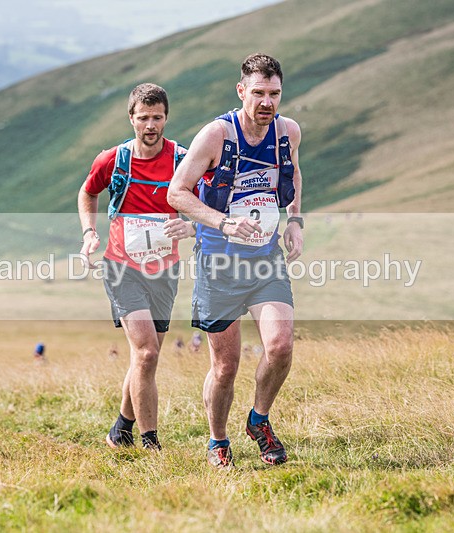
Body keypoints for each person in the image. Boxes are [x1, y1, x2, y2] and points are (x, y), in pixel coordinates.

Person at [168, 54, 304, 468]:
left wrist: (295, 221)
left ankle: (259, 421)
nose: (267, 102)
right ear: (241, 91)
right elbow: (177, 192)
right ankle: (217, 439)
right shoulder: (216, 135)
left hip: (265, 259)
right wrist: (223, 222)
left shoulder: (287, 132)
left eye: (274, 94)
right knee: (225, 367)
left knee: (280, 346)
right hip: (219, 262)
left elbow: (294, 173)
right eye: (258, 93)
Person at [77, 83, 194, 451]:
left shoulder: (183, 160)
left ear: (166, 117)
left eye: (157, 117)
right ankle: (151, 443)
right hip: (121, 267)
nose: (150, 125)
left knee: (146, 358)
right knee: (146, 353)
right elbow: (87, 192)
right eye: (143, 118)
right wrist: (89, 233)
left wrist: (192, 226)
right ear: (131, 118)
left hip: (165, 269)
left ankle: (121, 430)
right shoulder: (113, 160)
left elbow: (210, 202)